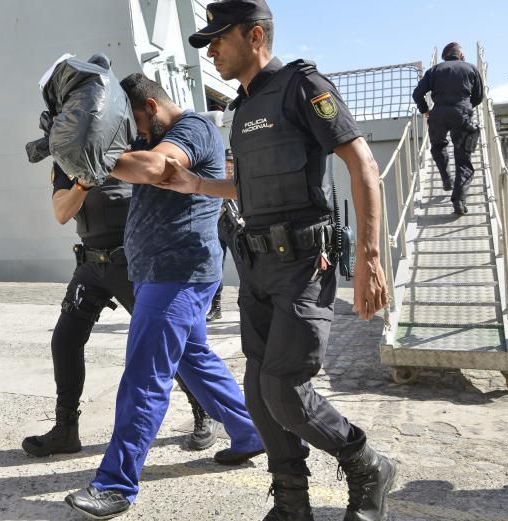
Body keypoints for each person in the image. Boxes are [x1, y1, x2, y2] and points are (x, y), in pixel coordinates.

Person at [157, 1, 396, 520]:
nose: (212, 49)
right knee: (258, 392)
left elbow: (364, 165)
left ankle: (365, 462)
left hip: (305, 264)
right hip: (257, 266)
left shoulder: (303, 87)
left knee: (283, 388)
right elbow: (247, 186)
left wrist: (369, 259)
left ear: (255, 35)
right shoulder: (241, 109)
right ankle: (291, 502)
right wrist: (196, 184)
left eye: (220, 38)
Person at [64, 73, 264, 519]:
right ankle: (251, 433)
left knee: (144, 375)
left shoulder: (191, 129)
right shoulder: (165, 134)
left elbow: (157, 168)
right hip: (166, 273)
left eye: (136, 124)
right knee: (196, 361)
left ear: (151, 107)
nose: (135, 135)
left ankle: (115, 485)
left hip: (177, 274)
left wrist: (91, 156)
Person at [21, 162, 218, 458]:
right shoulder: (69, 161)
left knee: (174, 344)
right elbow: (62, 213)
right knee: (65, 340)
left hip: (134, 264)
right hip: (91, 265)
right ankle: (65, 430)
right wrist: (83, 183)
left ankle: (204, 411)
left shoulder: (130, 150)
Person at [413, 42, 484, 216]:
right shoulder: (471, 69)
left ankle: (446, 179)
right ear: (461, 55)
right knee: (463, 159)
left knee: (438, 146)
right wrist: (465, 106)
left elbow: (417, 94)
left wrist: (425, 110)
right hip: (462, 113)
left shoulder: (434, 70)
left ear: (444, 56)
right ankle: (459, 200)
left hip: (438, 114)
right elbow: (479, 96)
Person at [206, 148, 237, 322]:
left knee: (244, 268)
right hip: (216, 228)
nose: (228, 168)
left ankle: (245, 305)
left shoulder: (240, 183)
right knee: (215, 268)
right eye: (226, 164)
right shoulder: (214, 182)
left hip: (236, 229)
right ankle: (216, 307)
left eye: (231, 164)